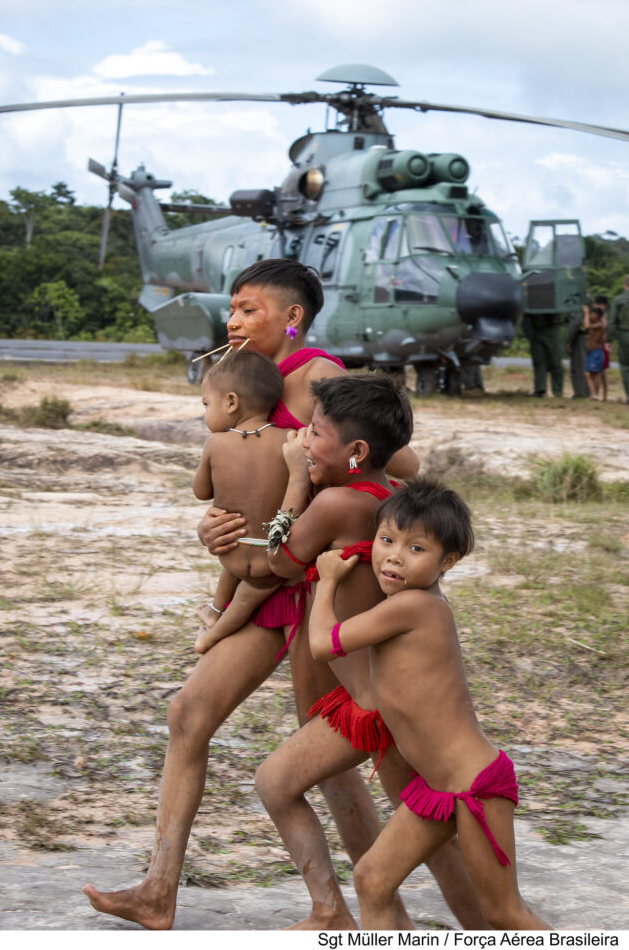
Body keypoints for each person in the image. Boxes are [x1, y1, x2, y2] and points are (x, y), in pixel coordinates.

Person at [81, 259, 427, 930]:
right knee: (189, 712)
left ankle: (379, 917)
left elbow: (400, 461)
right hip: (264, 579)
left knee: (327, 752)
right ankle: (159, 891)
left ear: (292, 317)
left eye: (249, 309)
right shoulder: (250, 387)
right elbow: (243, 489)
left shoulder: (322, 377)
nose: (232, 321)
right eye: (232, 310)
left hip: (316, 590)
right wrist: (216, 526)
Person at [256, 375, 488, 930]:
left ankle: (335, 914)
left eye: (314, 433)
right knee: (430, 838)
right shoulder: (391, 505)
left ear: (356, 452)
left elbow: (280, 563)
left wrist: (294, 480)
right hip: (381, 702)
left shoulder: (336, 502)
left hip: (369, 710)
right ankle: (467, 927)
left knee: (276, 784)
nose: (304, 442)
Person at [307, 481, 549, 931]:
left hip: (474, 784)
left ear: (448, 562)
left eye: (415, 547)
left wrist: (328, 581)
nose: (394, 556)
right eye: (386, 540)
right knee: (372, 880)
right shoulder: (403, 603)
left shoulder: (415, 607)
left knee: (503, 913)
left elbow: (322, 643)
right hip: (436, 789)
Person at [192, 348, 290, 654]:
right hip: (271, 560)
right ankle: (215, 620)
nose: (206, 412)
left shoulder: (216, 443)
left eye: (207, 403)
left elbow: (200, 492)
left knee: (237, 575)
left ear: (231, 402)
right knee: (252, 589)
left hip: (232, 552)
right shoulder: (290, 439)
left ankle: (215, 622)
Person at [522, 312, 563, 397]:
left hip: (552, 327)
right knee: (538, 360)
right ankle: (540, 389)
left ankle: (557, 390)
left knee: (555, 361)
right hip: (537, 328)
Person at [608, 279, 629, 405]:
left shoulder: (618, 300)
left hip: (625, 335)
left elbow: (611, 323)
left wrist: (609, 340)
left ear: (624, 286)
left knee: (626, 367)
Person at [583, 305, 606, 400]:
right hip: (591, 352)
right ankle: (594, 394)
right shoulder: (595, 326)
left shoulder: (599, 325)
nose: (590, 316)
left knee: (590, 373)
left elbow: (586, 326)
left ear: (597, 316)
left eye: (592, 314)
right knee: (591, 374)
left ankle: (595, 394)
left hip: (596, 352)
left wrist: (586, 313)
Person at [564, 309, 587, 398]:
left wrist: (568, 340)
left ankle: (580, 392)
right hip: (589, 337)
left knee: (579, 364)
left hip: (580, 337)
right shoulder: (589, 301)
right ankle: (586, 391)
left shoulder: (578, 304)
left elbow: (575, 323)